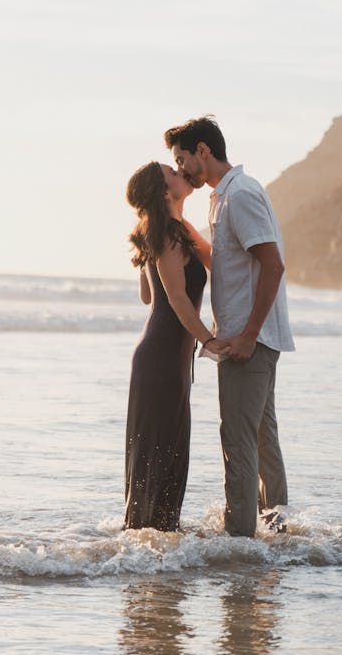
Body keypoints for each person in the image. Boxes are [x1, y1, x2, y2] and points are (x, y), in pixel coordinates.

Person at [164, 117, 295, 537]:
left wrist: (249, 335)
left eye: (182, 159)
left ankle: (239, 543)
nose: (182, 169)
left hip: (247, 341)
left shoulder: (240, 195)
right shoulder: (222, 197)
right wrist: (176, 217)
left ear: (203, 151)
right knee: (260, 438)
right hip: (249, 337)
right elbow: (219, 260)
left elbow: (273, 265)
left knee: (238, 442)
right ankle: (275, 533)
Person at [123, 161, 228, 532]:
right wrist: (210, 339)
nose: (180, 171)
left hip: (164, 356)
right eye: (172, 170)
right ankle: (151, 539)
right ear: (165, 190)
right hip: (164, 357)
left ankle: (154, 542)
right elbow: (178, 300)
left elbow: (146, 293)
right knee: (161, 451)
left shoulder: (172, 230)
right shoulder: (167, 233)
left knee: (163, 451)